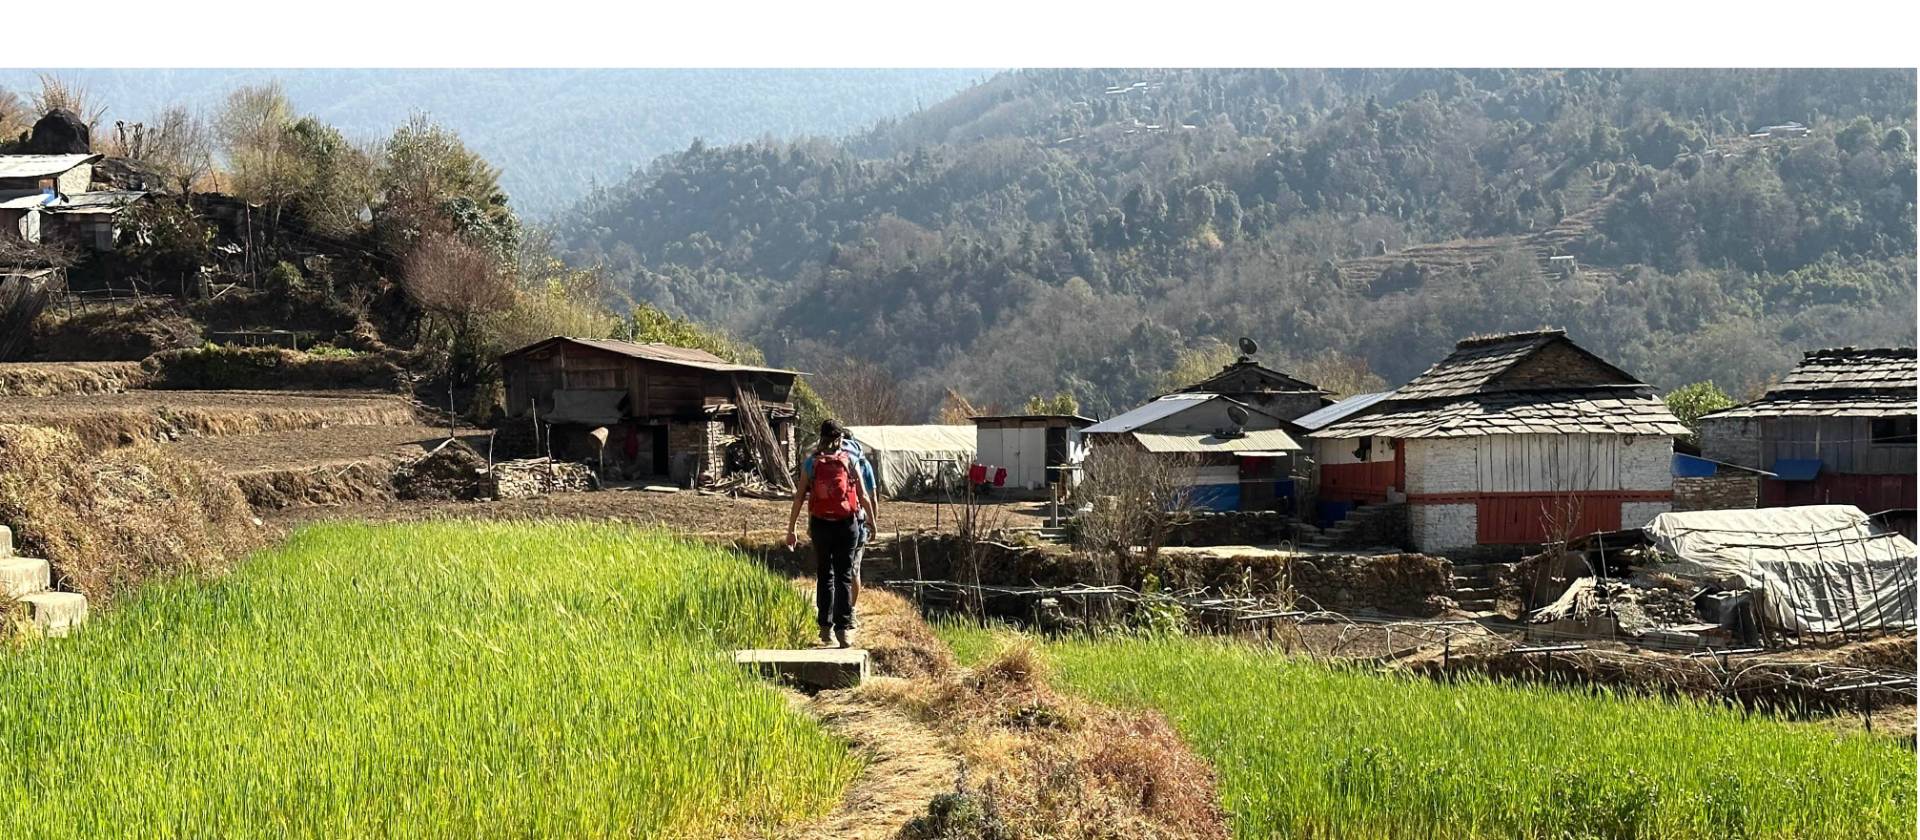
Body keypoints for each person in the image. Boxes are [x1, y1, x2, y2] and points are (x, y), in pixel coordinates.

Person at [786, 420, 878, 648]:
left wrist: (792, 528)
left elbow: (799, 497)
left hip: (820, 525)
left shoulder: (811, 463)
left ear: (821, 436)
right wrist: (872, 522)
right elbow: (864, 496)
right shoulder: (850, 460)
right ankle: (843, 631)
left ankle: (825, 628)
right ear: (839, 439)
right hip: (847, 525)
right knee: (844, 576)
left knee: (824, 575)